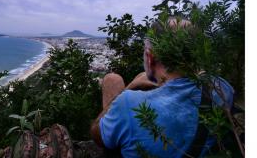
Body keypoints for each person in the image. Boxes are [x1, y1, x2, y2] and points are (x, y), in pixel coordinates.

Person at [90, 17, 234, 157]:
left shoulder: (129, 102)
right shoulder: (222, 88)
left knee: (112, 80)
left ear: (150, 57)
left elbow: (97, 136)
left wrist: (130, 88)